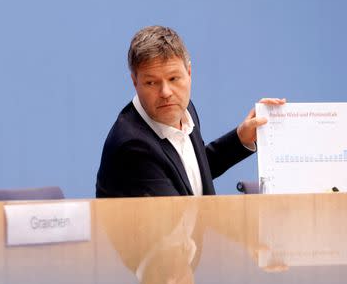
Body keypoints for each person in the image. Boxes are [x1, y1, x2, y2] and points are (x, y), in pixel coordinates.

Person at [96, 25, 284, 198]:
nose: (166, 93)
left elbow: (188, 172)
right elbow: (180, 220)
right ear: (134, 82)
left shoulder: (183, 109)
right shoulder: (132, 147)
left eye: (174, 78)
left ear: (189, 72)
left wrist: (240, 139)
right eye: (151, 82)